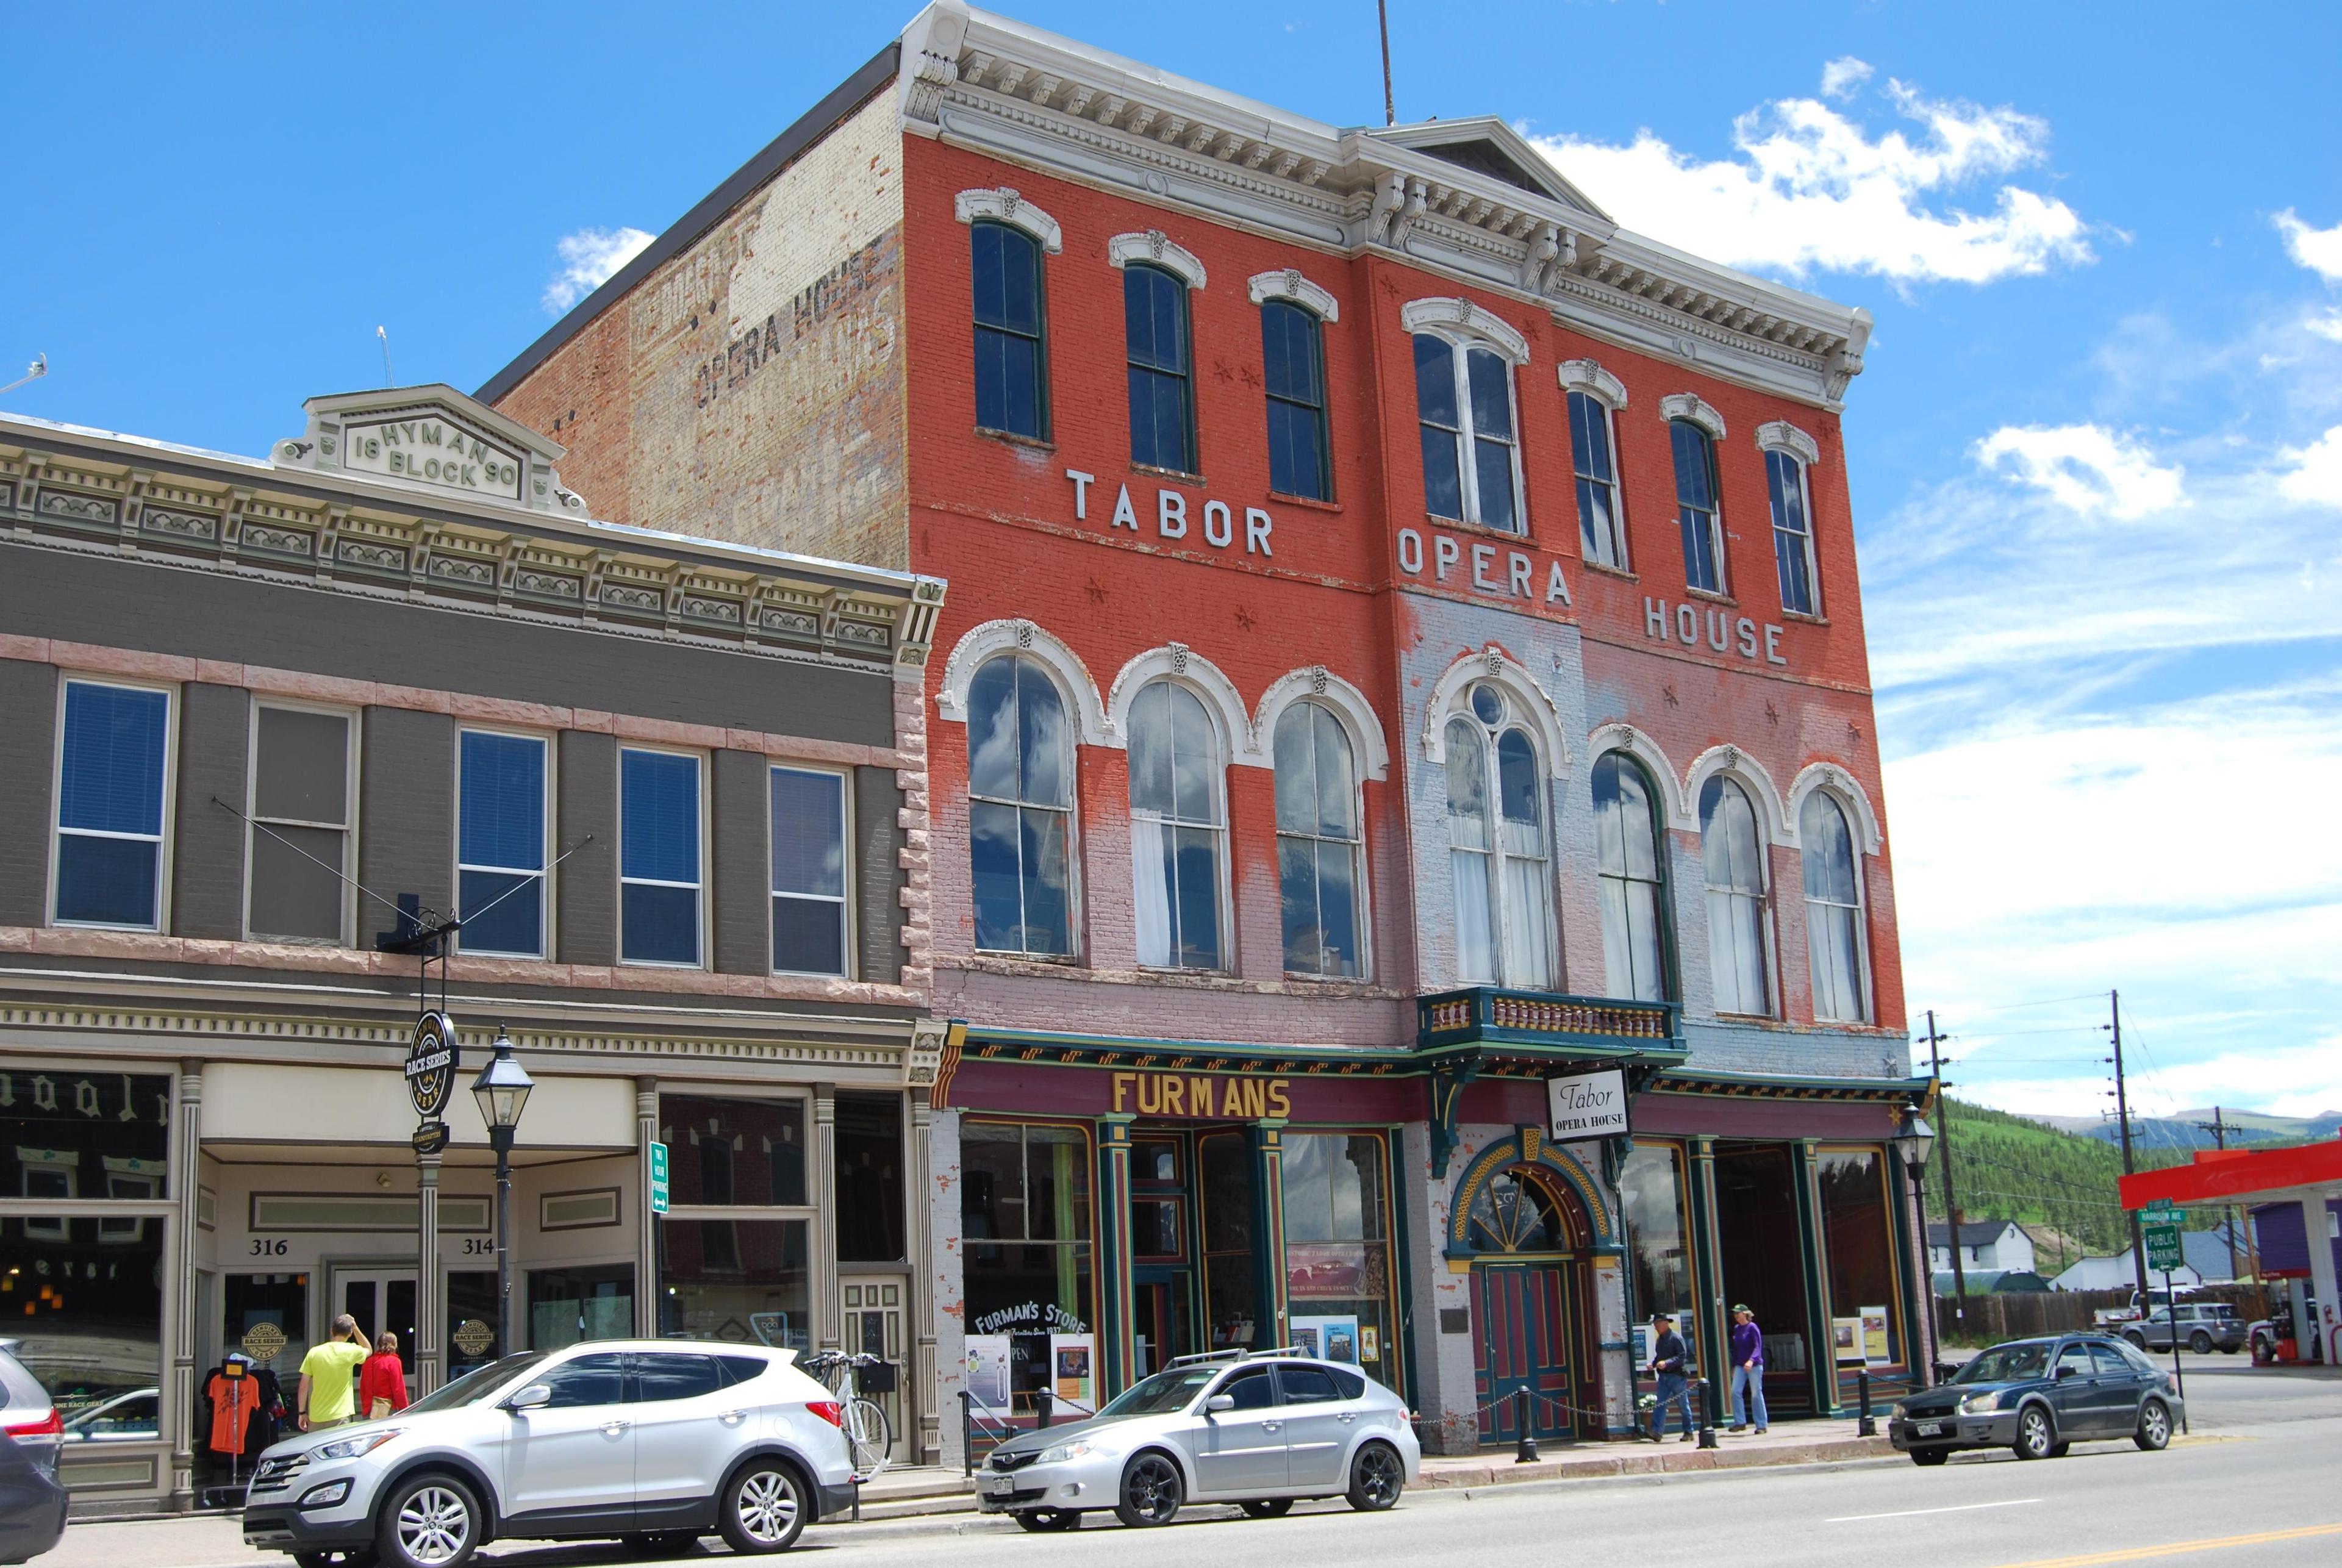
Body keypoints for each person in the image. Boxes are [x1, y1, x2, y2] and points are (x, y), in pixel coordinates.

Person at [298, 1315, 371, 1433]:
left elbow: (303, 1385)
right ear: (350, 1334)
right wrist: (355, 1327)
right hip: (340, 1416)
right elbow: (368, 1349)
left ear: (332, 1331)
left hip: (316, 1416)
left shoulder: (314, 1352)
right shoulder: (351, 1351)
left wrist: (302, 1412)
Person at [1646, 1312, 1696, 1442]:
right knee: (1660, 1404)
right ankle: (1657, 1432)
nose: (1656, 1327)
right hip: (1664, 1377)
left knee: (1683, 1405)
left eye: (1657, 1324)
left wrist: (1667, 1363)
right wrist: (1653, 1364)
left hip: (1677, 1376)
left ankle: (1689, 1431)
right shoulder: (1660, 1340)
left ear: (1664, 1324)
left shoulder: (1676, 1338)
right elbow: (1659, 1357)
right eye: (1655, 1325)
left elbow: (1682, 1357)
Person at [1727, 1303, 1769, 1434]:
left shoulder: (1752, 1327)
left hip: (1754, 1365)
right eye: (1735, 1314)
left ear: (1745, 1314)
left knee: (1756, 1393)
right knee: (1735, 1391)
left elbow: (1758, 1346)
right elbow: (1736, 1349)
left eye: (1738, 1314)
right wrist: (1734, 1365)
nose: (1736, 1316)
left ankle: (1761, 1425)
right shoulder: (1737, 1328)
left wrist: (1751, 1360)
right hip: (1740, 1365)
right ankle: (1740, 1422)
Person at [360, 1330, 409, 1420]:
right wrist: (405, 1410)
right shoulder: (394, 1362)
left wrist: (366, 1406)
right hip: (387, 1410)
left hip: (369, 1410)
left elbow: (363, 1389)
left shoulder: (367, 1362)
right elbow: (398, 1389)